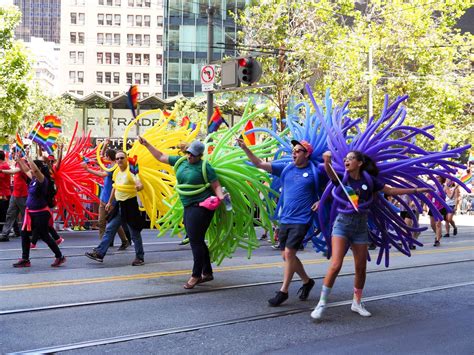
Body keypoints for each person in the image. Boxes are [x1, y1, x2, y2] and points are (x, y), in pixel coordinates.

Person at [311, 150, 430, 320]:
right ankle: (321, 303)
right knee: (336, 264)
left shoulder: (369, 180)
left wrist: (416, 190)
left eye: (351, 158)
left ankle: (357, 303)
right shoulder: (342, 178)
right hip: (342, 224)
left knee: (361, 267)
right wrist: (327, 159)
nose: (347, 161)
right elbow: (329, 172)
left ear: (359, 163)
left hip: (360, 226)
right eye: (345, 159)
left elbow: (390, 190)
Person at [238, 138, 319, 306]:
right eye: (293, 150)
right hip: (285, 218)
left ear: (307, 154)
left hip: (302, 219)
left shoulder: (315, 171)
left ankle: (283, 291)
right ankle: (307, 281)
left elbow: (333, 186)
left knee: (289, 253)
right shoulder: (286, 168)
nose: (294, 153)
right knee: (286, 255)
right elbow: (259, 164)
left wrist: (321, 201)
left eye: (298, 151)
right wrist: (246, 148)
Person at [139, 137, 226, 289]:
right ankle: (207, 272)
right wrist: (147, 144)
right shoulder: (181, 161)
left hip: (201, 206)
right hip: (188, 205)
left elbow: (216, 185)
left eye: (193, 154)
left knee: (195, 240)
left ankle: (196, 275)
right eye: (188, 153)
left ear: (200, 155)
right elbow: (160, 156)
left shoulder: (205, 166)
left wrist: (221, 197)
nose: (189, 156)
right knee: (197, 239)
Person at [85, 150, 145, 265]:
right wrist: (109, 202)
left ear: (126, 159)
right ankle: (100, 253)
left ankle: (140, 257)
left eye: (122, 158)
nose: (119, 160)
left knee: (134, 233)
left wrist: (139, 186)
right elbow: (115, 187)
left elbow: (138, 183)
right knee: (110, 228)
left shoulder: (130, 172)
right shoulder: (117, 172)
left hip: (130, 205)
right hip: (119, 204)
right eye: (117, 158)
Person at [12, 155, 66, 267]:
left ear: (39, 169)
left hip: (41, 213)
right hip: (31, 213)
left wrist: (29, 158)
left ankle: (59, 256)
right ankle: (25, 259)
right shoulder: (34, 179)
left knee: (45, 235)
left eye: (33, 167)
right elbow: (26, 169)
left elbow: (34, 169)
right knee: (24, 234)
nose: (30, 169)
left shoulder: (42, 180)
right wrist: (19, 160)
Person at [81, 146, 130, 250]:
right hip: (104, 198)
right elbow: (101, 161)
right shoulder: (109, 165)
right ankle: (104, 244)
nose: (104, 157)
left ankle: (124, 241)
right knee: (101, 222)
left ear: (109, 157)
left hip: (111, 200)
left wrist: (87, 169)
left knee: (113, 222)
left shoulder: (114, 167)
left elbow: (102, 174)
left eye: (105, 156)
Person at [0, 151, 28, 241]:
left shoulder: (23, 163)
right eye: (13, 154)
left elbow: (12, 171)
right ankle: (5, 234)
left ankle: (30, 233)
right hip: (15, 193)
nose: (13, 155)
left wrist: (1, 170)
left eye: (16, 154)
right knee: (10, 214)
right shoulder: (17, 163)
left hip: (22, 194)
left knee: (26, 215)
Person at [0, 151, 12, 232]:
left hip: (3, 193)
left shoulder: (3, 166)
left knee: (3, 213)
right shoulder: (4, 165)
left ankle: (3, 231)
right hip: (4, 192)